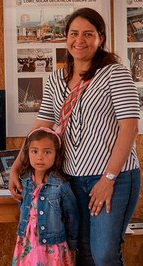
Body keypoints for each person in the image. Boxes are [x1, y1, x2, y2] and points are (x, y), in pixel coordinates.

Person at [9, 8, 141, 266]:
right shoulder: (56, 79)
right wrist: (16, 166)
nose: (80, 40)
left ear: (100, 38)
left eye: (88, 34)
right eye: (74, 33)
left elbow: (129, 128)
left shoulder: (116, 73)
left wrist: (108, 178)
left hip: (113, 178)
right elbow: (41, 126)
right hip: (70, 179)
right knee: (83, 254)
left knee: (104, 254)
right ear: (65, 37)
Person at [12, 127, 79, 266]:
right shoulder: (24, 182)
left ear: (56, 155)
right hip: (27, 242)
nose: (40, 157)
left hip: (52, 244)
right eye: (34, 151)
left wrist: (72, 243)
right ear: (27, 153)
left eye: (47, 152)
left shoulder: (61, 185)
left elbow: (72, 216)